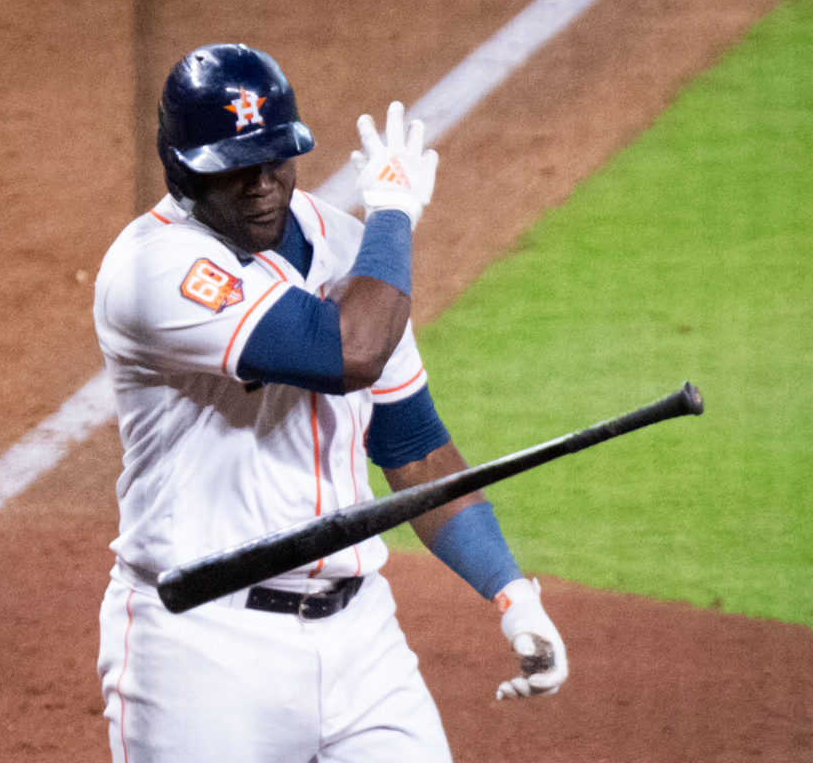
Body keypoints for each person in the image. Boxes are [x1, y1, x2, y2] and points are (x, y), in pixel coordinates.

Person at [92, 42, 567, 763]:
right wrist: (396, 216)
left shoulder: (350, 250)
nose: (260, 184)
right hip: (203, 651)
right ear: (181, 165)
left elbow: (414, 449)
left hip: (359, 641)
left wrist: (512, 593)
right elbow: (349, 351)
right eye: (233, 167)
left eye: (274, 158)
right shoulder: (154, 268)